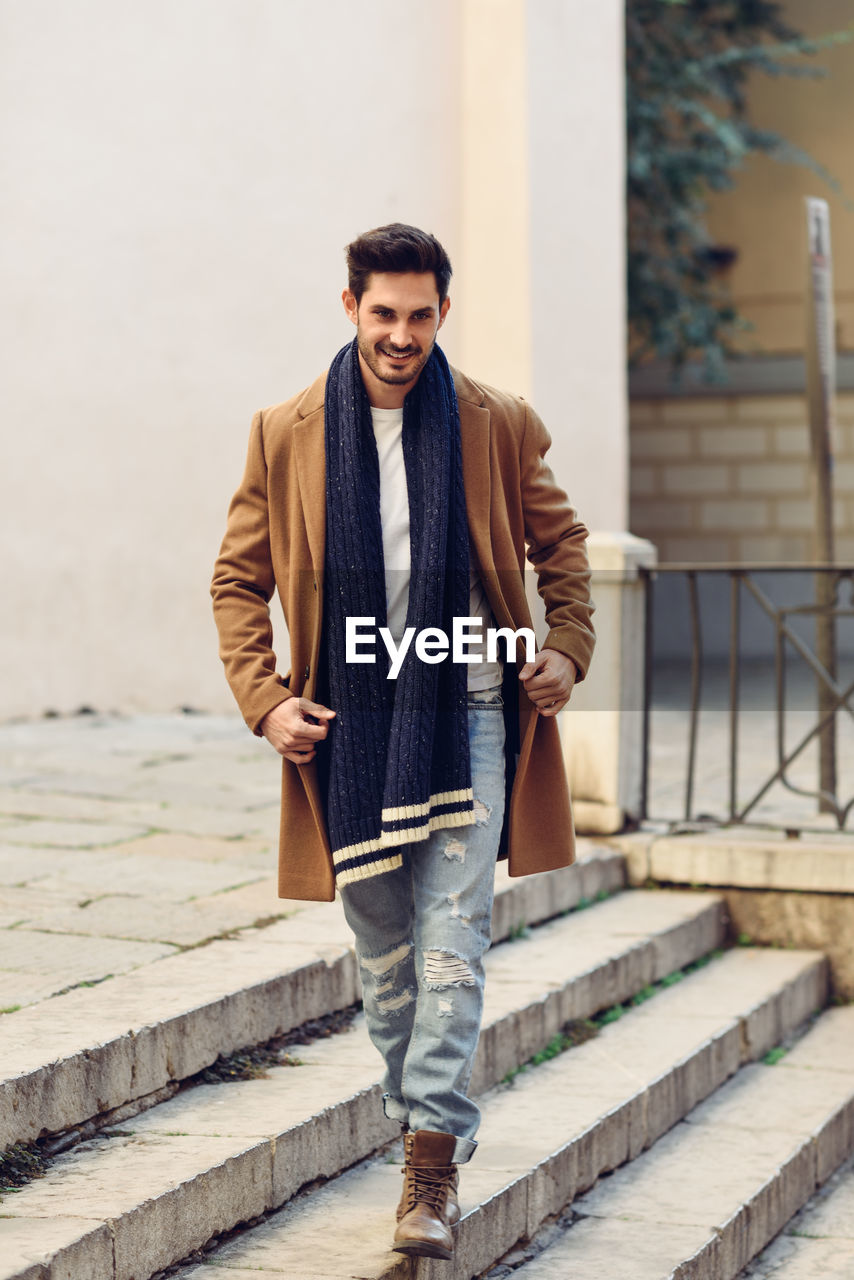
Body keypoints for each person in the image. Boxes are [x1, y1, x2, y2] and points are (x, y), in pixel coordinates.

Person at [211, 223, 595, 1262]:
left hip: (469, 708)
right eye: (382, 314)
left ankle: (431, 1160)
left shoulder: (494, 421)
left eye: (420, 315)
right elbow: (235, 580)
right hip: (346, 728)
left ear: (441, 313)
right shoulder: (283, 430)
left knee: (450, 943)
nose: (401, 335)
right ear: (349, 307)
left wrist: (564, 643)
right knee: (384, 960)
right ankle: (413, 1114)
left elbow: (560, 544)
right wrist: (263, 698)